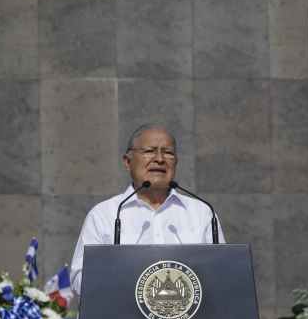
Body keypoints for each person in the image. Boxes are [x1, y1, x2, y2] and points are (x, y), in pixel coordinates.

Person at [70, 125, 225, 296]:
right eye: (150, 151)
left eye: (168, 152)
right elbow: (79, 280)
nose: (160, 159)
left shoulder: (202, 213)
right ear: (128, 162)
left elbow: (222, 274)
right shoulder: (105, 214)